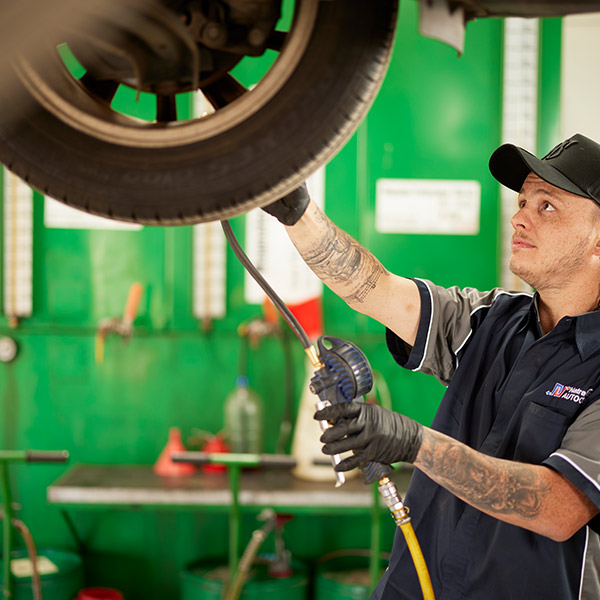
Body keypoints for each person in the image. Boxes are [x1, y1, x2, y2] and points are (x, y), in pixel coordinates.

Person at [262, 133, 600, 599]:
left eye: (547, 207)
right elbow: (374, 289)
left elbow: (559, 508)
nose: (519, 217)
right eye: (522, 201)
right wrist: (296, 211)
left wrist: (415, 443)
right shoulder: (487, 321)